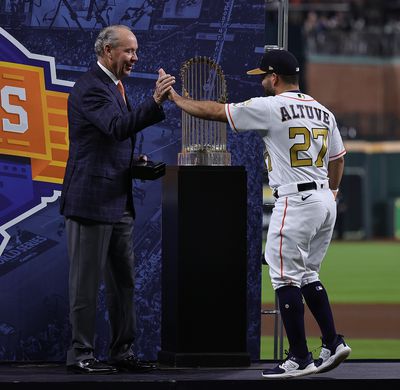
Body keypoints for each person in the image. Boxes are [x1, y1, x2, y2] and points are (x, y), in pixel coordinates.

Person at [167, 49, 351, 379]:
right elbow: (338, 158)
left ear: (275, 78)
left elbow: (217, 112)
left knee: (284, 276)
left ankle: (299, 357)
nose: (262, 81)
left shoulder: (272, 106)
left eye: (263, 76)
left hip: (296, 200)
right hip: (324, 198)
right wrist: (333, 192)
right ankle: (333, 342)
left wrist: (179, 101)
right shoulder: (323, 111)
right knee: (308, 273)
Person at [59, 24, 175, 374]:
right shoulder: (90, 88)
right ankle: (80, 354)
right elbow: (115, 127)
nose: (135, 57)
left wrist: (133, 162)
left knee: (123, 282)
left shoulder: (114, 86)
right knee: (85, 284)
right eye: (128, 51)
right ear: (107, 51)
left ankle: (122, 353)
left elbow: (111, 139)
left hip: (117, 199)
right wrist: (154, 101)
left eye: (135, 50)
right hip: (90, 201)